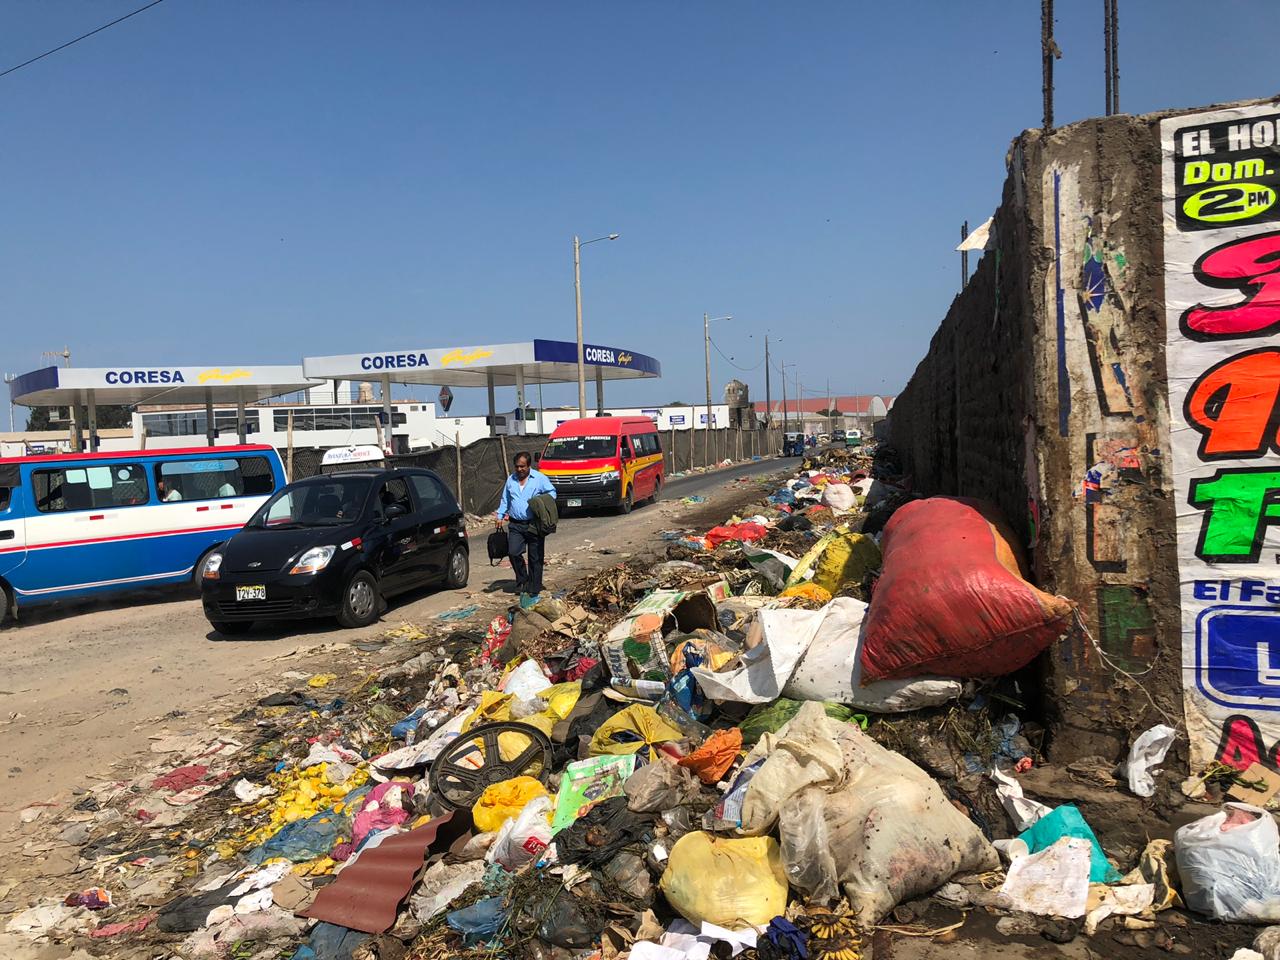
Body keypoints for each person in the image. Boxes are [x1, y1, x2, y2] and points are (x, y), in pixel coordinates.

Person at [495, 451, 556, 603]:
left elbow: (552, 492)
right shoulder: (511, 480)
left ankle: (534, 588)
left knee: (535, 557)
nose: (520, 469)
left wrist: (541, 502)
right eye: (517, 467)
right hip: (516, 523)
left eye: (522, 466)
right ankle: (523, 579)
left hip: (534, 524)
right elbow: (505, 499)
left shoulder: (539, 478)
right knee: (513, 552)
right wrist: (500, 515)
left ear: (529, 466)